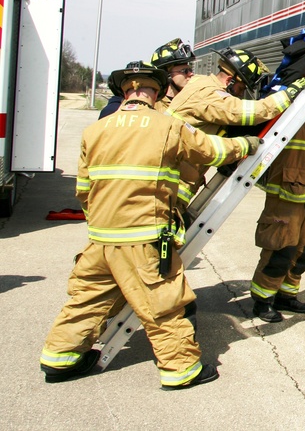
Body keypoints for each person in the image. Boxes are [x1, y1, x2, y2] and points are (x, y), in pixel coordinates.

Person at [39, 61, 261, 388]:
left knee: (87, 299)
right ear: (155, 91)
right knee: (164, 304)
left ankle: (59, 359)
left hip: (100, 240)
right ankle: (181, 370)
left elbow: (83, 190)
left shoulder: (95, 131)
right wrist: (247, 145)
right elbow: (213, 151)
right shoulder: (167, 126)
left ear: (126, 91)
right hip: (145, 239)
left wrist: (105, 222)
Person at [163, 47, 305, 209]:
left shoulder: (200, 83)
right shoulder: (209, 95)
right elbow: (248, 113)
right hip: (171, 185)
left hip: (172, 177)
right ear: (230, 80)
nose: (240, 94)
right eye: (241, 88)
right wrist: (287, 95)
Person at [250, 111, 305, 322]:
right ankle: (262, 300)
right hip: (286, 197)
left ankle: (286, 295)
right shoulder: (292, 115)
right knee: (281, 250)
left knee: (304, 252)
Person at [149, 37, 197, 111]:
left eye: (190, 70)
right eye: (185, 71)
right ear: (166, 74)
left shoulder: (195, 101)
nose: (191, 74)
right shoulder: (152, 105)